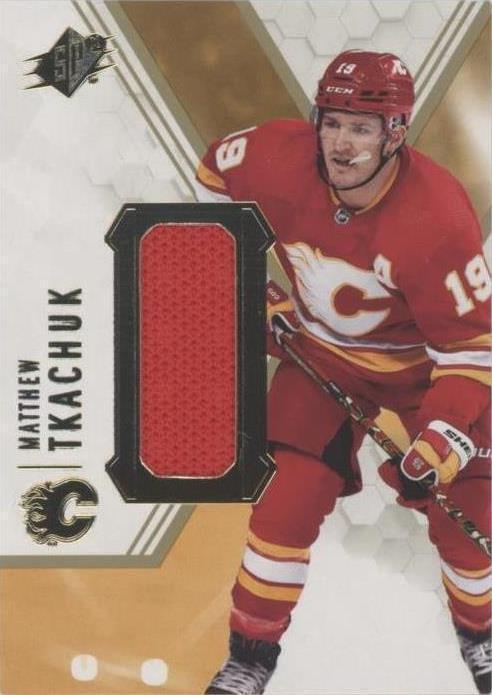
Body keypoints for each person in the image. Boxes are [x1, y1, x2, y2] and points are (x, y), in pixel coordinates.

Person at [194, 50, 491, 695]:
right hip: (321, 355)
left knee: (470, 518)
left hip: (428, 370)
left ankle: (482, 637)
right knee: (282, 509)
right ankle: (249, 659)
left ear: (396, 133)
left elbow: (471, 348)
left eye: (361, 127)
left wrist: (442, 439)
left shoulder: (438, 216)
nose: (341, 143)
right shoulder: (275, 156)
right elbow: (214, 172)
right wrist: (246, 279)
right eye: (332, 122)